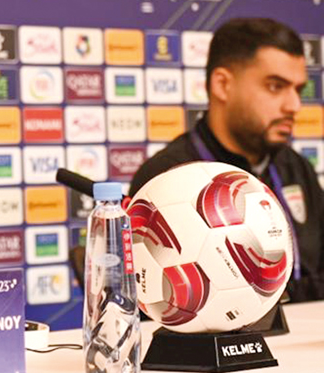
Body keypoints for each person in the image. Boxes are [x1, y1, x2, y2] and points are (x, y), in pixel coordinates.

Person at [130, 17, 323, 302]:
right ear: (222, 85)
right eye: (275, 86)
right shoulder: (165, 177)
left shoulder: (295, 168)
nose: (294, 105)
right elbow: (155, 300)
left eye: (297, 89)